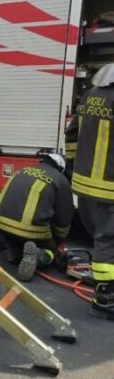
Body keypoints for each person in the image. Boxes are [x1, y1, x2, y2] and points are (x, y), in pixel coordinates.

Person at [71, 64, 114, 319]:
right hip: (109, 186)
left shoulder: (90, 96)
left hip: (85, 184)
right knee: (108, 241)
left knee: (101, 238)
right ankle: (104, 300)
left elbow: (71, 133)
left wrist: (73, 167)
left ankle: (104, 289)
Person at [0, 154, 74, 282]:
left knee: (16, 238)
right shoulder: (60, 179)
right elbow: (64, 216)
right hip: (30, 230)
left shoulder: (23, 170)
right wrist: (59, 239)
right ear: (61, 168)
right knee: (52, 249)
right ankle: (38, 256)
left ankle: (15, 252)